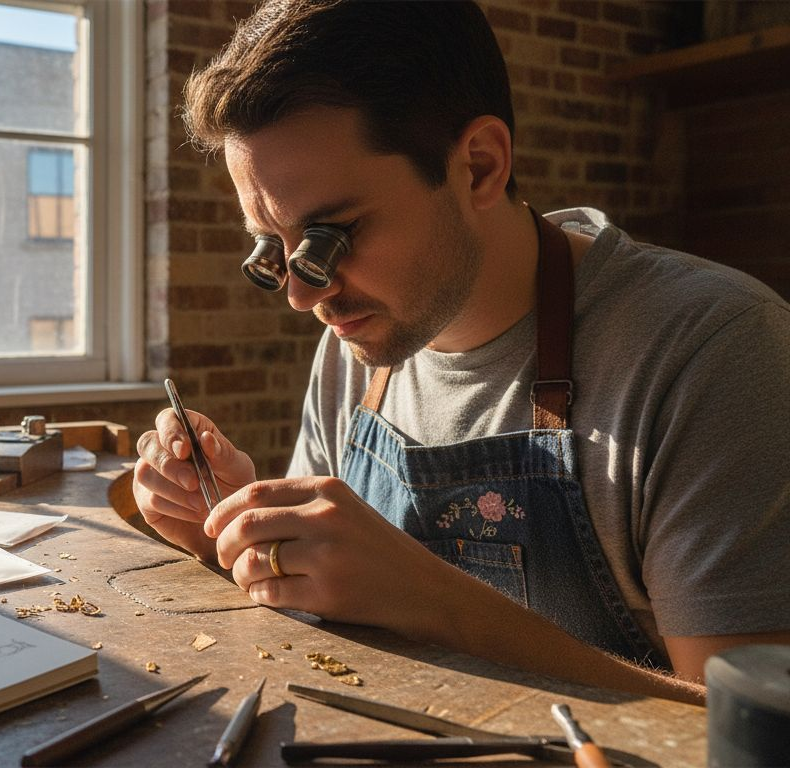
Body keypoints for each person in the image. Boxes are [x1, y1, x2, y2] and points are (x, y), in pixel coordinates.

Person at [133, 0, 790, 705]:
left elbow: (746, 733)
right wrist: (240, 531)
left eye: (332, 235)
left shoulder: (711, 352)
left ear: (479, 165)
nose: (301, 293)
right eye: (273, 246)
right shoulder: (353, 344)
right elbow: (320, 618)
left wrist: (436, 602)